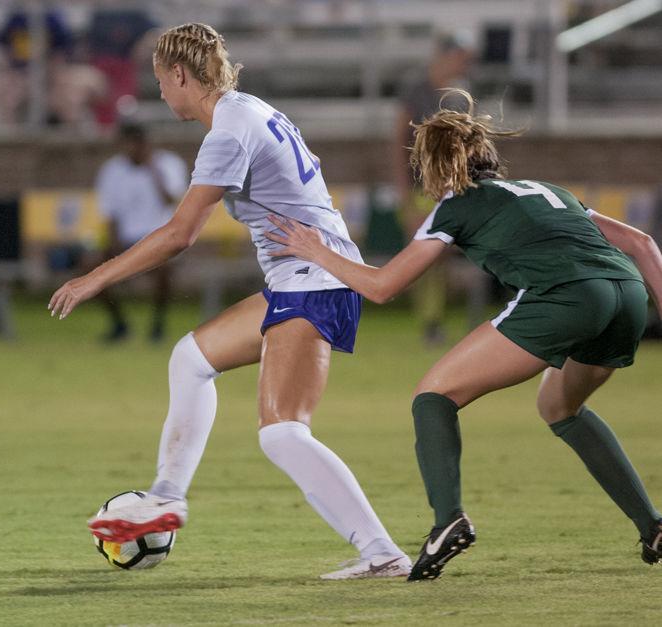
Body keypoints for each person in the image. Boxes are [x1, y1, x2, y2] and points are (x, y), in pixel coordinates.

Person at [49, 22, 411, 580]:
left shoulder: (227, 132)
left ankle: (382, 552)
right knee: (191, 359)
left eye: (160, 83)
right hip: (300, 278)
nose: (161, 95)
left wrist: (93, 279)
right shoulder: (246, 110)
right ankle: (167, 497)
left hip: (314, 280)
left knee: (282, 432)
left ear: (179, 74)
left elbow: (179, 234)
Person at [265, 90, 662, 581]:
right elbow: (643, 244)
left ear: (436, 167)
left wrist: (315, 249)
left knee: (433, 395)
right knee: (560, 408)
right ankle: (654, 526)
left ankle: (447, 520)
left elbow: (384, 287)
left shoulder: (456, 206)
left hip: (567, 296)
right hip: (626, 294)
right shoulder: (548, 189)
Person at [393, 32, 476, 346]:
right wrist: (405, 199)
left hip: (450, 189)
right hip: (422, 190)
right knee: (424, 257)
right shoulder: (417, 90)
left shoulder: (461, 93)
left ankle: (439, 320)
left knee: (442, 258)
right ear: (445, 55)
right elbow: (398, 142)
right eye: (460, 56)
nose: (464, 63)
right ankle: (430, 322)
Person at [94, 123, 188, 342]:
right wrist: (114, 247)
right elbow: (110, 214)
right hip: (126, 240)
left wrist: (153, 171)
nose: (132, 149)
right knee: (91, 267)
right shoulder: (112, 170)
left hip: (161, 239)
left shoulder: (168, 164)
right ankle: (119, 324)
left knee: (164, 270)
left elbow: (171, 200)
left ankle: (157, 325)